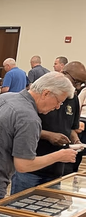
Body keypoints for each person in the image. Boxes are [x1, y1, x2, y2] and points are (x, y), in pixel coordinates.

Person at [0, 72, 77, 217]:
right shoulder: (29, 118)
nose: (58, 107)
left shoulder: (3, 97)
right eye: (59, 101)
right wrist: (59, 156)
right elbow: (24, 165)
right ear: (46, 93)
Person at [10, 62, 85, 193]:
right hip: (31, 166)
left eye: (81, 84)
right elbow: (23, 128)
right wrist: (49, 135)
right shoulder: (39, 99)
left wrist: (76, 141)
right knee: (19, 207)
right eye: (76, 81)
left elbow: (71, 128)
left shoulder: (73, 98)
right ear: (63, 73)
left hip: (56, 168)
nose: (77, 86)